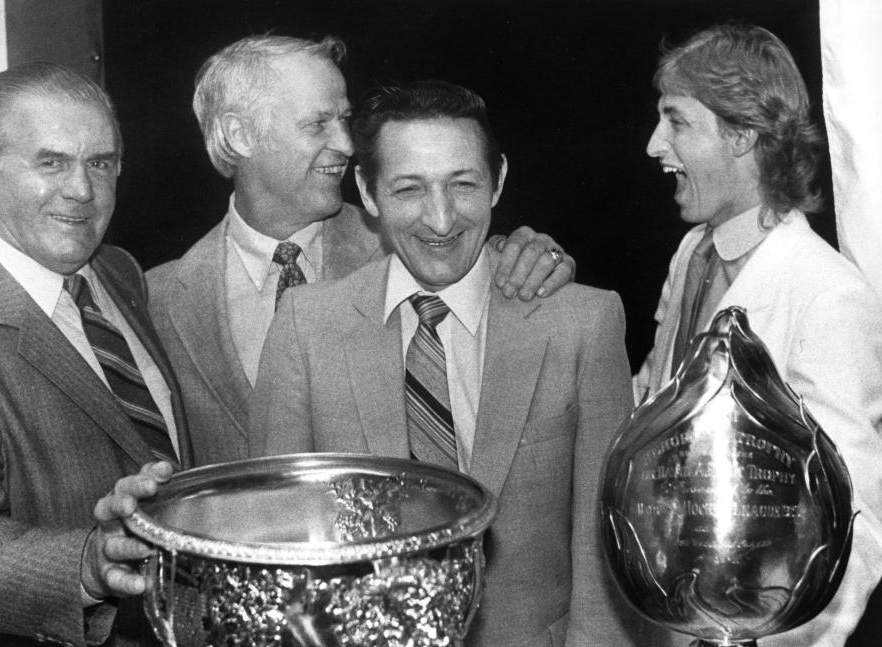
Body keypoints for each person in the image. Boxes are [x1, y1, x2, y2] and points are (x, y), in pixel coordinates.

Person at [248, 79, 657, 647]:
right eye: (409, 189)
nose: (440, 220)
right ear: (366, 192)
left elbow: (607, 562)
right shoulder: (306, 325)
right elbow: (279, 550)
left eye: (462, 184)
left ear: (499, 181)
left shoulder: (582, 323)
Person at [146, 34, 576, 466]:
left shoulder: (414, 249)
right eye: (318, 124)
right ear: (240, 135)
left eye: (344, 119)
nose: (349, 145)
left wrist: (534, 259)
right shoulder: (158, 298)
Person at [0, 62, 192, 646]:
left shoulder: (119, 273)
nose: (82, 190)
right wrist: (88, 565)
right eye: (51, 162)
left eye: (101, 162)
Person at [635, 23, 882, 646]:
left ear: (743, 134)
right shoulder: (693, 253)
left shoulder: (829, 295)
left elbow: (857, 526)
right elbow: (651, 407)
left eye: (677, 121)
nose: (653, 143)